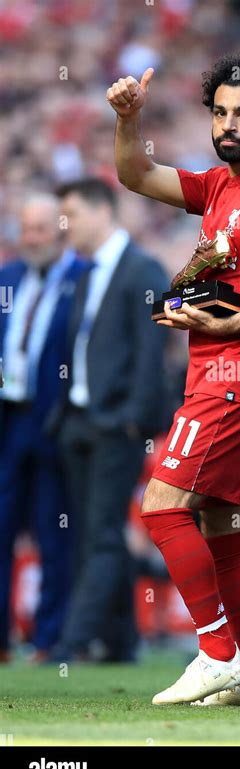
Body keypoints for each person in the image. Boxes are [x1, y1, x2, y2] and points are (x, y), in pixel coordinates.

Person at [107, 53, 240, 705]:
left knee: (161, 507)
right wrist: (128, 119)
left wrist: (230, 327)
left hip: (237, 376)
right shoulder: (223, 185)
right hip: (224, 374)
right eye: (221, 113)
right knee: (225, 524)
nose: (229, 125)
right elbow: (136, 173)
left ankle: (216, 650)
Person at [47, 177, 169, 662]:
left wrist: (132, 420)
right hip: (79, 421)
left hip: (115, 425)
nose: (66, 226)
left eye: (71, 215)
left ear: (103, 211)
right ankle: (121, 641)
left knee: (100, 534)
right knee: (95, 533)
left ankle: (73, 643)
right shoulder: (84, 272)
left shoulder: (143, 269)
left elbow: (150, 351)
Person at [0, 193, 86, 663]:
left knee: (57, 533)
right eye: (26, 229)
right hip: (9, 420)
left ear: (60, 231)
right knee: (1, 530)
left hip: (54, 424)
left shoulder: (83, 280)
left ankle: (49, 640)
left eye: (40, 230)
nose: (32, 239)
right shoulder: (7, 278)